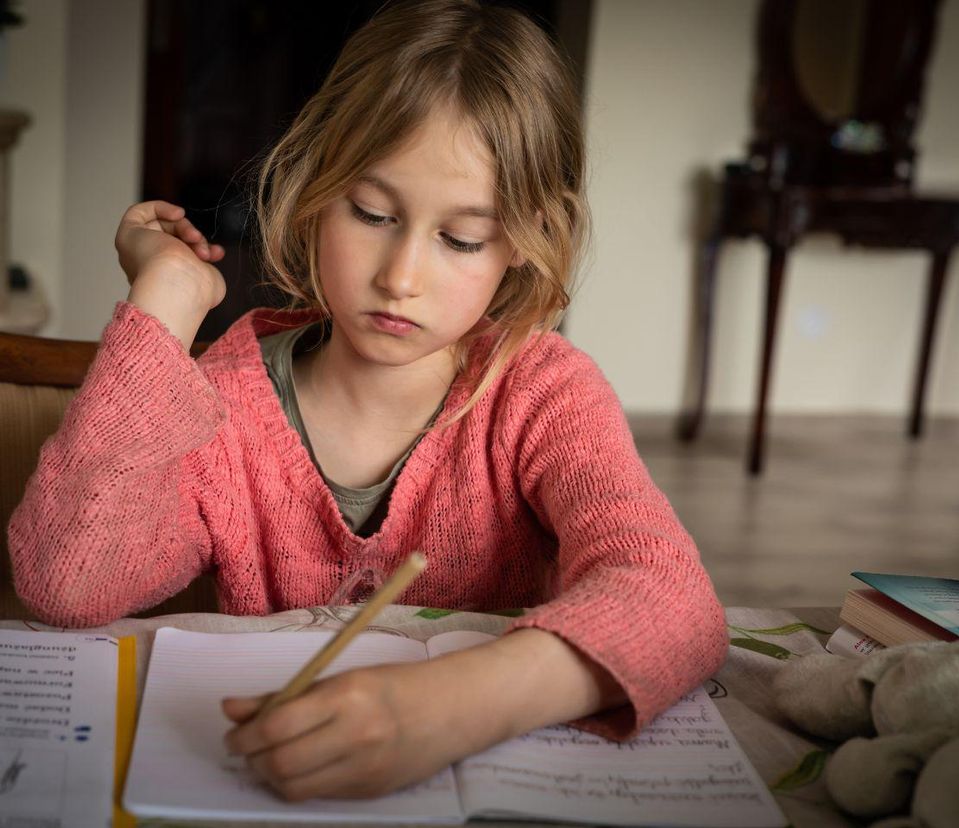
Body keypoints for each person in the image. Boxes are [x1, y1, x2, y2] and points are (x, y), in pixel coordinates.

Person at [8, 0, 727, 803]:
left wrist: (453, 706)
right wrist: (168, 301)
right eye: (373, 214)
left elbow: (675, 600)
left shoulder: (543, 394)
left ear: (524, 243)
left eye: (461, 239)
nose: (401, 277)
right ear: (315, 189)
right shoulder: (225, 401)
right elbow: (64, 585)